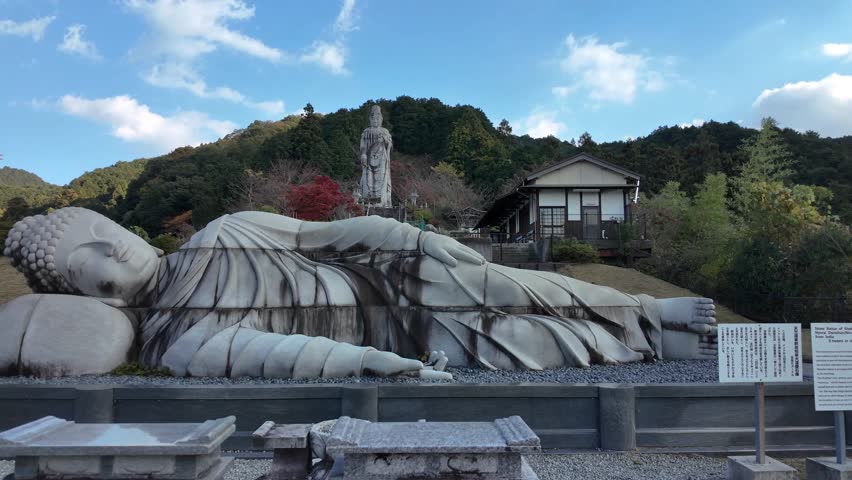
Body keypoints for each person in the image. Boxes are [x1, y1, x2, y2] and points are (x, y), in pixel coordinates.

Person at [1, 207, 716, 378]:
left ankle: (649, 309)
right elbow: (278, 353)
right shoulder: (170, 339)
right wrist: (377, 364)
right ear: (98, 296)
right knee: (522, 341)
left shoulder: (227, 228)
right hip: (382, 336)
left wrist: (410, 236)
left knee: (509, 282)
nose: (111, 251)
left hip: (384, 275)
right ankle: (655, 341)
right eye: (91, 267)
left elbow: (321, 236)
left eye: (99, 231)